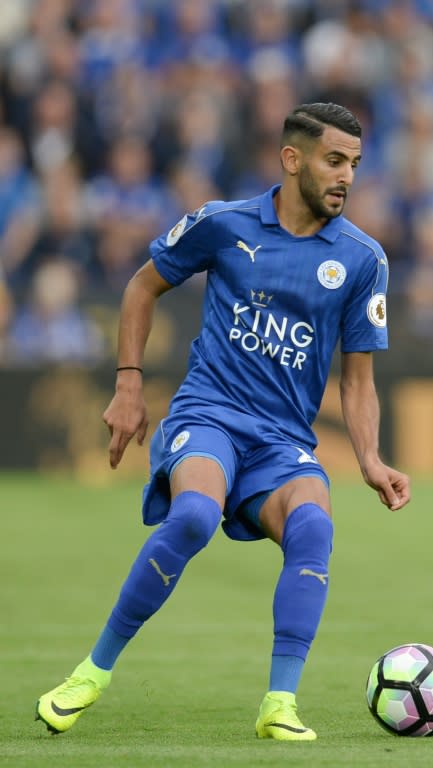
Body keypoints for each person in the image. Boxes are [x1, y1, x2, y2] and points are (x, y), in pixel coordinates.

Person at [35, 102, 410, 741]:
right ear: (292, 160)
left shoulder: (362, 258)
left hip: (283, 441)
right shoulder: (223, 223)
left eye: (353, 163)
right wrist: (129, 386)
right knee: (194, 517)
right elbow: (141, 286)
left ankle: (279, 705)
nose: (347, 175)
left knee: (314, 528)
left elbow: (357, 380)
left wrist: (371, 458)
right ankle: (91, 673)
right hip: (209, 415)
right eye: (334, 161)